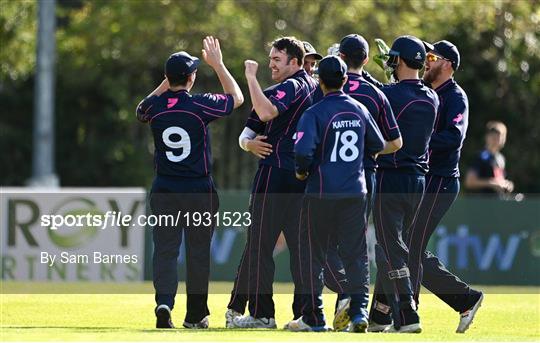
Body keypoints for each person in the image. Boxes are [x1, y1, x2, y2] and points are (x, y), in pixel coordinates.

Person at [136, 36, 243, 329]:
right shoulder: (199, 105)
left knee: (166, 250)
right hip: (198, 190)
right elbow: (237, 98)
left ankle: (164, 302)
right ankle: (195, 314)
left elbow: (140, 110)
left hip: (165, 188)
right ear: (192, 77)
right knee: (197, 253)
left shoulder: (155, 108)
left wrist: (166, 84)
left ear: (168, 77)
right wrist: (219, 65)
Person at [287, 55, 387, 332]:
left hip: (320, 192)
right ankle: (358, 314)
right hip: (355, 192)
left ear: (319, 81)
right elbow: (377, 143)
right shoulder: (359, 109)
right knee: (356, 256)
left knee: (313, 255)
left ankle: (314, 317)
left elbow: (302, 151)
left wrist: (301, 172)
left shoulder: (314, 112)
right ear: (345, 80)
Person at [226, 36, 318, 329]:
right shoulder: (313, 87)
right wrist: (249, 146)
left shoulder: (291, 86)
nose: (271, 65)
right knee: (301, 249)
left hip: (275, 174)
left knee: (259, 245)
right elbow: (248, 134)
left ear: (295, 62)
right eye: (270, 60)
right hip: (301, 177)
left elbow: (265, 113)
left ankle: (262, 314)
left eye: (277, 60)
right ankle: (305, 314)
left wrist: (250, 77)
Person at [322, 33, 404, 331]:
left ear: (340, 58)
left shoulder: (327, 92)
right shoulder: (376, 93)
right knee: (355, 247)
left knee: (321, 244)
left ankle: (344, 297)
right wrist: (366, 148)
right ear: (366, 60)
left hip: (329, 176)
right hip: (364, 177)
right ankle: (355, 309)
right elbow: (394, 143)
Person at [406, 40, 484, 333]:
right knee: (408, 245)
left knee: (410, 243)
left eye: (432, 57)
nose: (427, 61)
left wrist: (418, 142)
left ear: (448, 64)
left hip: (441, 180)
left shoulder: (455, 96)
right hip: (424, 179)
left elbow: (453, 137)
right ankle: (466, 299)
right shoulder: (426, 93)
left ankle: (407, 313)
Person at [368, 35, 439, 333]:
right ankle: (381, 315)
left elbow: (376, 95)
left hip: (390, 178)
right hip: (418, 182)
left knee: (391, 248)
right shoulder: (433, 97)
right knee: (398, 246)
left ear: (398, 61)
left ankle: (408, 313)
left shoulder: (389, 94)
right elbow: (394, 93)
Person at [465, 121, 513, 196]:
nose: (497, 140)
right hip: (482, 204)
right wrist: (492, 183)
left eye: (500, 136)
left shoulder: (501, 158)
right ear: (487, 137)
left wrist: (506, 184)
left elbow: (499, 180)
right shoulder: (480, 157)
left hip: (497, 204)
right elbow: (469, 182)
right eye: (494, 136)